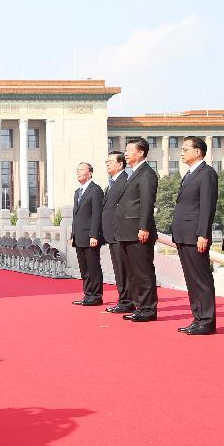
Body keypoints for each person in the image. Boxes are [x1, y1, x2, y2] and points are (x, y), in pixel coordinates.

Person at [172, 136, 218, 335]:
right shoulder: (190, 174)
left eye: (185, 149)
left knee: (201, 279)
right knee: (191, 279)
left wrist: (203, 234)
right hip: (183, 234)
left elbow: (207, 206)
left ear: (198, 151)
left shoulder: (206, 173)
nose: (181, 153)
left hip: (195, 235)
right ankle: (197, 317)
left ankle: (206, 320)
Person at [112, 138, 158, 322]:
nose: (126, 152)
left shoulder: (147, 174)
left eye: (130, 149)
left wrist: (144, 227)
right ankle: (140, 307)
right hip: (126, 231)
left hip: (138, 231)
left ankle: (148, 309)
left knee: (143, 271)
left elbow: (147, 202)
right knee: (132, 272)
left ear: (141, 152)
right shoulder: (133, 173)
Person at [100, 151, 134, 313]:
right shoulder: (113, 182)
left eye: (110, 161)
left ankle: (126, 301)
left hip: (120, 231)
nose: (107, 164)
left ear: (120, 164)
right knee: (118, 268)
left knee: (123, 268)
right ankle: (124, 299)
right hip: (112, 233)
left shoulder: (124, 181)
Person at [71, 162, 104, 306]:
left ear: (89, 173)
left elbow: (97, 214)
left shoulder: (95, 190)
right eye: (77, 170)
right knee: (84, 268)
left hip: (90, 236)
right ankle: (87, 294)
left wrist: (94, 235)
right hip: (79, 236)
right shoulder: (78, 192)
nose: (78, 173)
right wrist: (73, 234)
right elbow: (76, 215)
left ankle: (96, 296)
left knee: (93, 267)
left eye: (81, 170)